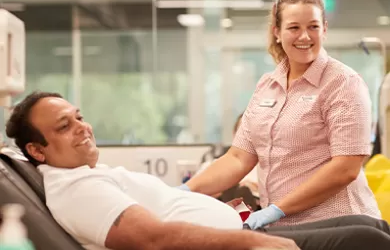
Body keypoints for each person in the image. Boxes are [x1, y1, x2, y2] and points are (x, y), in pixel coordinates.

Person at [5, 91, 390, 250]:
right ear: (37, 150)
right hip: (240, 246)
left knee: (368, 224)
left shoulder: (86, 174)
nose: (82, 128)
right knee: (365, 238)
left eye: (79, 117)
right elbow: (153, 238)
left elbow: (163, 211)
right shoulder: (76, 190)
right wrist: (256, 242)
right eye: (64, 126)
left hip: (241, 231)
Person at [183, 0, 381, 229]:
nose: (305, 36)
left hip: (340, 226)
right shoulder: (268, 85)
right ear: (277, 32)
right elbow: (237, 158)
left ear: (325, 29)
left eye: (313, 27)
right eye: (294, 27)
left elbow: (346, 167)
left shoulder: (342, 83)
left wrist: (277, 210)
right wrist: (183, 192)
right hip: (285, 229)